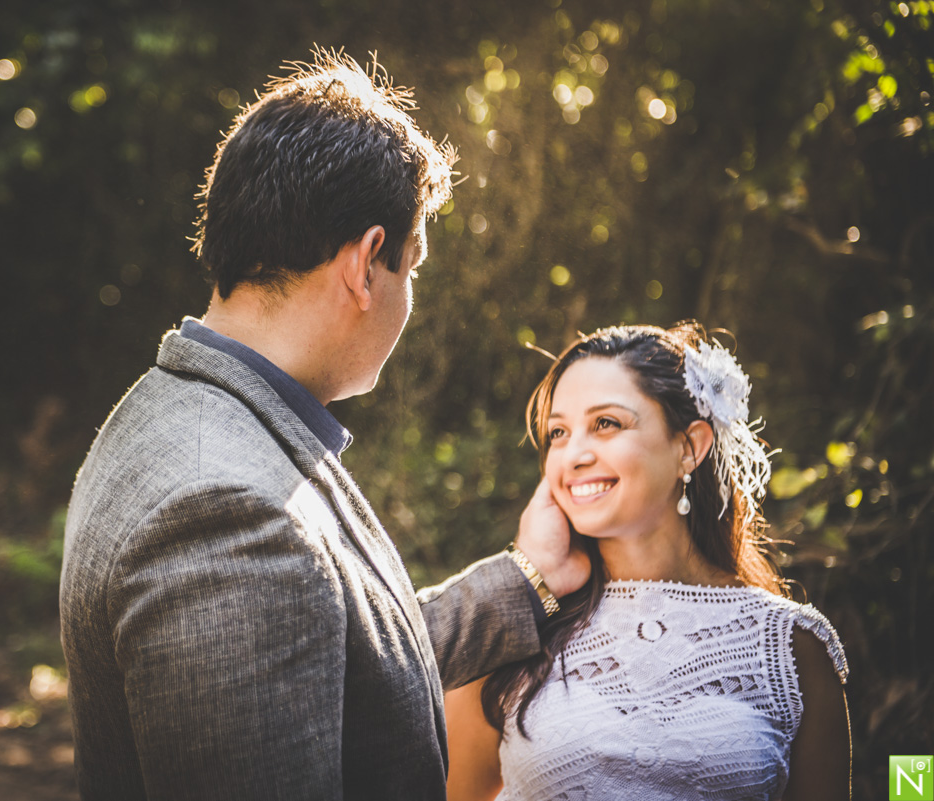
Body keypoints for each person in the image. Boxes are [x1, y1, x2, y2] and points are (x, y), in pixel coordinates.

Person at [58, 51, 591, 801]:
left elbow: (327, 665)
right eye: (413, 267)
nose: (410, 297)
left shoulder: (180, 405)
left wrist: (527, 582)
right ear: (366, 263)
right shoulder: (228, 510)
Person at [444, 323, 851, 801]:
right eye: (558, 432)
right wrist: (529, 572)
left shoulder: (792, 645)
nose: (573, 455)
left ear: (689, 447)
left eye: (607, 423)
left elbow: (908, 783)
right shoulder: (508, 632)